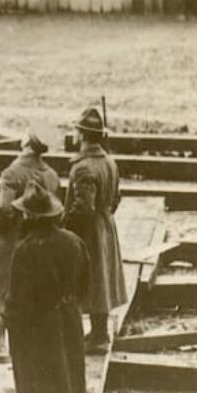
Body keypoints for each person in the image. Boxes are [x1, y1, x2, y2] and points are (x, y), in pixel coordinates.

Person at [5, 182, 89, 393]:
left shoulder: (25, 250)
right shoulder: (74, 241)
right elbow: (84, 287)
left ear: (30, 217)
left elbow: (17, 303)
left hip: (38, 333)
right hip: (70, 325)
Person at [0, 132, 62, 368]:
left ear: (27, 145)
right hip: (37, 238)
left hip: (8, 240)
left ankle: (0, 347)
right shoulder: (51, 174)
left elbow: (6, 211)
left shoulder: (12, 173)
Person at [62, 105, 126, 353]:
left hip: (89, 231)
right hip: (106, 225)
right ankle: (100, 333)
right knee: (103, 279)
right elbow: (117, 198)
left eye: (77, 131)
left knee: (92, 280)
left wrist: (65, 229)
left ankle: (97, 338)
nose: (75, 135)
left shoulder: (83, 168)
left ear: (83, 135)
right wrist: (105, 217)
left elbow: (82, 208)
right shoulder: (110, 162)